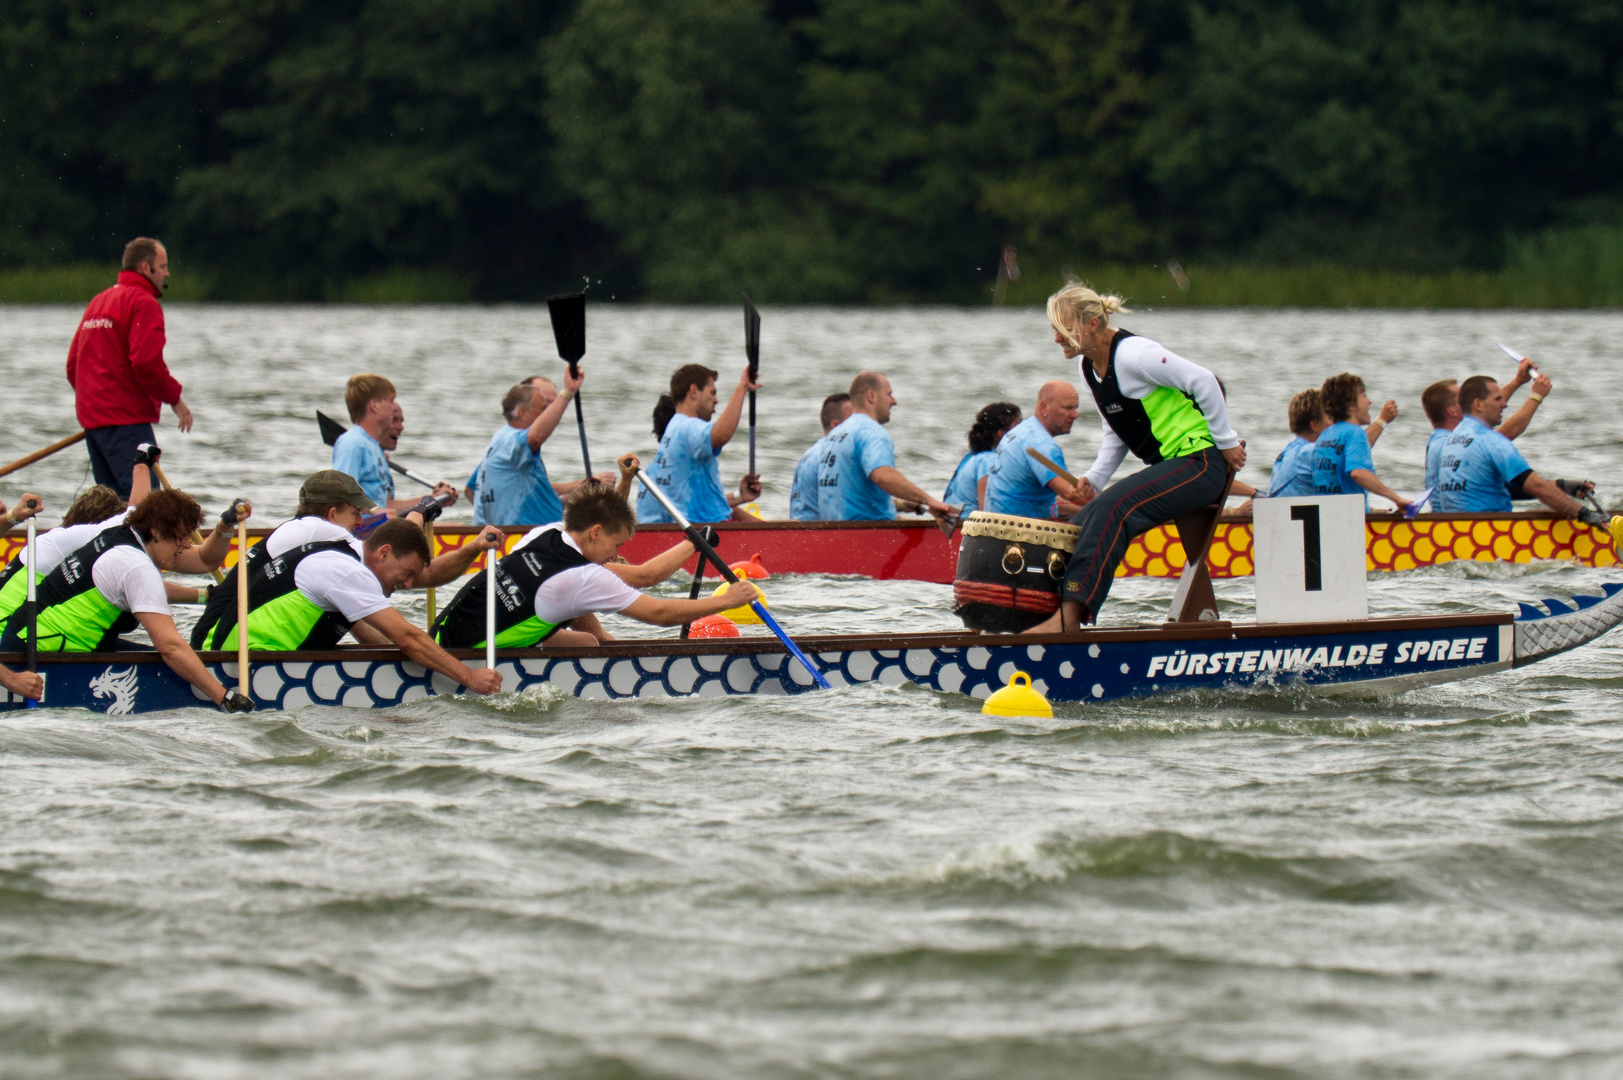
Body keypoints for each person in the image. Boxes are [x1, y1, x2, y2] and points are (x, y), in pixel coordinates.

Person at [1023, 284, 1246, 633]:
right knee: (1083, 518)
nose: (1056, 338)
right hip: (1176, 466)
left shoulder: (1133, 355)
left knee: (1115, 509)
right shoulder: (1088, 367)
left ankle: (1069, 619)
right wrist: (1095, 478)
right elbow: (1116, 431)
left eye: (1063, 328)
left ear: (1093, 324)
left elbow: (1203, 380)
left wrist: (1226, 441)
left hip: (1202, 463)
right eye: (1054, 329)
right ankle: (1042, 612)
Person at [0, 489, 254, 711]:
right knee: (172, 663)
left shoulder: (124, 535)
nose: (187, 545)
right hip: (35, 653)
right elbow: (170, 647)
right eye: (182, 537)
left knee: (174, 661)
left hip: (32, 638)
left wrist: (224, 527)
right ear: (155, 531)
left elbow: (205, 561)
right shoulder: (135, 566)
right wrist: (224, 697)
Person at [189, 470, 501, 650]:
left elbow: (399, 572)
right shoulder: (318, 533)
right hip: (221, 649)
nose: (359, 523)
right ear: (333, 513)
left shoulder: (310, 538)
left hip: (215, 639)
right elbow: (399, 561)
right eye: (356, 514)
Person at [433, 484, 760, 649]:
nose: (616, 555)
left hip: (441, 633)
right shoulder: (585, 578)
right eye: (617, 546)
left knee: (589, 637)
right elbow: (659, 614)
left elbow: (602, 513)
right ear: (595, 533)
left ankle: (611, 654)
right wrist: (727, 601)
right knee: (589, 644)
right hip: (466, 659)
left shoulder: (546, 532)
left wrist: (624, 481)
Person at [64, 237, 195, 500]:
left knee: (111, 508)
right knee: (147, 507)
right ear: (147, 268)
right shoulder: (143, 303)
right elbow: (146, 363)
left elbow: (72, 366)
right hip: (127, 424)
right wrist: (175, 399)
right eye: (163, 265)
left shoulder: (98, 302)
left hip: (96, 426)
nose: (167, 273)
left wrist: (96, 408)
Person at [1434, 376, 1602, 521]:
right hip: (1490, 533)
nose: (1505, 404)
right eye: (1498, 399)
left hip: (1457, 529)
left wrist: (1562, 485)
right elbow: (1537, 487)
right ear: (1478, 404)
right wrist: (1586, 515)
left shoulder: (1451, 439)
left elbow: (1491, 487)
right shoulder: (1492, 441)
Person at [469, 372, 613, 527]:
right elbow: (536, 436)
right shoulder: (510, 441)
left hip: (542, 531)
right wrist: (568, 392)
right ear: (522, 413)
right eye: (543, 407)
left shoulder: (504, 444)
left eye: (553, 403)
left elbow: (547, 501)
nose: (551, 412)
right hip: (527, 539)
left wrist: (582, 491)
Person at [816, 372, 956, 523]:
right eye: (889, 394)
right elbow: (883, 475)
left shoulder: (833, 436)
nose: (894, 401)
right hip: (870, 535)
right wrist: (928, 500)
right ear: (871, 396)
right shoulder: (870, 431)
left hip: (835, 533)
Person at [637, 364, 762, 524]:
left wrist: (739, 496)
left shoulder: (673, 428)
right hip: (710, 532)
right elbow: (721, 435)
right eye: (712, 393)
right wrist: (741, 388)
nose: (716, 400)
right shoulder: (687, 427)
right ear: (694, 391)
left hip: (696, 528)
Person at [1421, 359, 1550, 496]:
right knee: (1551, 489)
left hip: (1470, 499)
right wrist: (1536, 396)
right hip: (1453, 514)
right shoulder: (1443, 444)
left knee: (1555, 488)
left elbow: (1487, 405)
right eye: (1463, 398)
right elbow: (1506, 433)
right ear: (1451, 411)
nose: (1469, 399)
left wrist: (1517, 381)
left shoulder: (1447, 437)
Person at [332, 374, 455, 514]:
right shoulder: (352, 443)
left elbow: (388, 506)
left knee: (458, 527)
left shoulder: (375, 448)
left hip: (381, 529)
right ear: (374, 405)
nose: (393, 408)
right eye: (391, 401)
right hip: (362, 533)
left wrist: (432, 500)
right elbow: (342, 497)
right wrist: (374, 512)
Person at [983, 384, 1086, 519]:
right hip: (1015, 533)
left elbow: (1040, 499)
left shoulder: (1019, 431)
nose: (1075, 415)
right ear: (1044, 407)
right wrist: (1107, 502)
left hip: (992, 525)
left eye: (1075, 408)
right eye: (1068, 408)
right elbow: (1072, 494)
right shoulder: (1042, 444)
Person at [1311, 373, 1412, 511]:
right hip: (1350, 520)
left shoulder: (1324, 436)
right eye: (1364, 396)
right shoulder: (1355, 433)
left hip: (1328, 516)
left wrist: (1372, 511)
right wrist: (1397, 499)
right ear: (1352, 405)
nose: (1369, 401)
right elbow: (1358, 473)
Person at [942, 402, 1020, 514]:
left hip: (952, 524)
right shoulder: (989, 461)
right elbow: (988, 512)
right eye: (1017, 429)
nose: (1022, 434)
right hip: (964, 527)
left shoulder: (973, 454)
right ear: (1001, 434)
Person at [790, 394, 854, 520]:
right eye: (853, 421)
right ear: (835, 426)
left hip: (800, 531)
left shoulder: (808, 455)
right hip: (821, 534)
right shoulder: (835, 455)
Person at [1267, 389, 1330, 498]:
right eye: (1332, 418)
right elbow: (1352, 451)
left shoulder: (1288, 450)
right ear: (1315, 425)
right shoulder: (1309, 452)